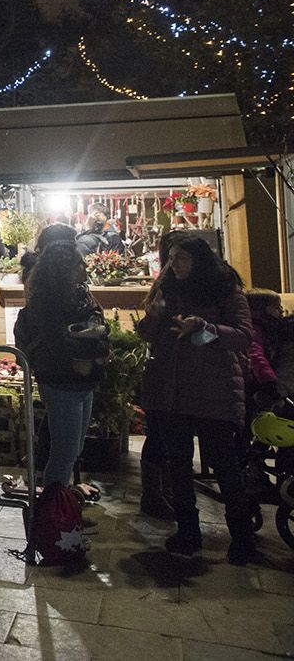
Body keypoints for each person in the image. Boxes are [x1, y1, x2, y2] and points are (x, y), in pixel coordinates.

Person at [137, 234, 257, 563]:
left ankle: (242, 537)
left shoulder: (224, 288)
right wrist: (155, 315)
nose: (173, 264)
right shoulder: (167, 289)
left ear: (199, 260)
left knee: (225, 465)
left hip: (212, 388)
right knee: (178, 465)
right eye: (171, 258)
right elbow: (148, 333)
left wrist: (205, 328)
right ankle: (188, 532)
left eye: (181, 258)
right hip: (171, 388)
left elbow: (244, 335)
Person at [14, 240, 107, 495]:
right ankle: (54, 516)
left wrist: (96, 347)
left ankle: (62, 508)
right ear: (63, 268)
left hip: (84, 380)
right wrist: (91, 348)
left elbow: (99, 327)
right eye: (78, 263)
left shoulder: (80, 293)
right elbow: (58, 343)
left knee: (73, 449)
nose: (84, 267)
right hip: (61, 380)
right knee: (64, 452)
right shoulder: (47, 300)